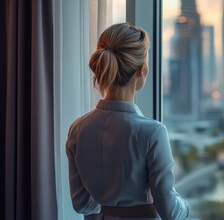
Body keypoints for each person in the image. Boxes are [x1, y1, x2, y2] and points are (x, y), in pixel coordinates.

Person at [66, 23, 190, 220]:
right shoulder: (153, 133)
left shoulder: (77, 129)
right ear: (142, 70)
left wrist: (111, 206)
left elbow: (81, 204)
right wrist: (187, 206)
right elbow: (170, 211)